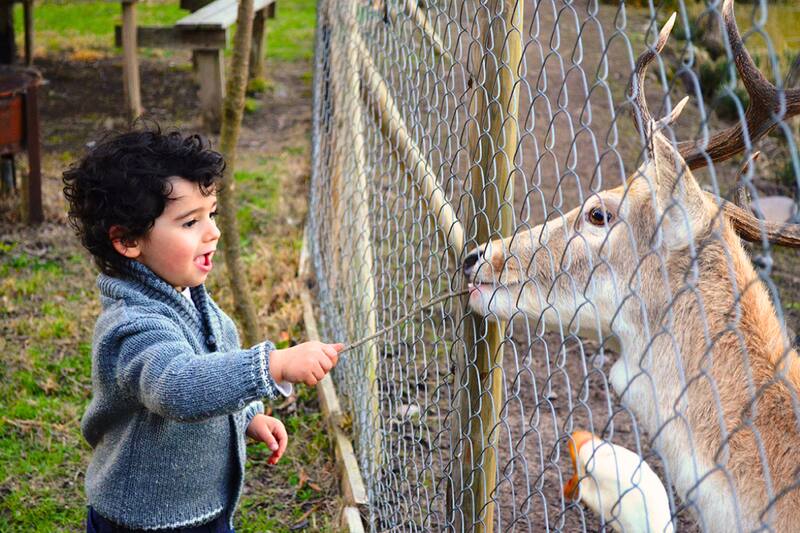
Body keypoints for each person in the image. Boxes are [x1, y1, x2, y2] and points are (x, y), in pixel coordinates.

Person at [62, 125, 344, 532]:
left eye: (210, 214)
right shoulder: (132, 326)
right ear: (127, 241)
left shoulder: (186, 295)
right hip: (142, 520)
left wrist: (246, 416)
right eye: (190, 222)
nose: (212, 231)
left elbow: (214, 364)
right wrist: (272, 365)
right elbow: (179, 385)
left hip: (201, 509)